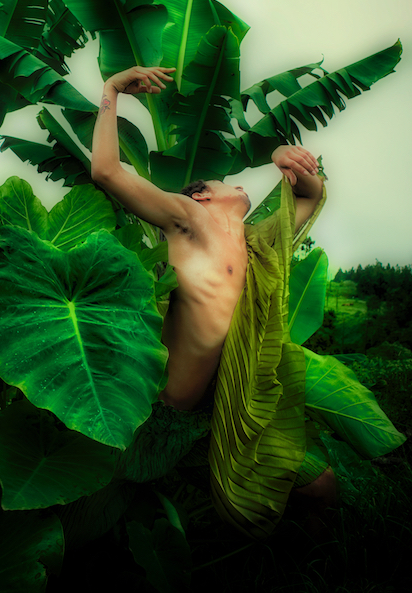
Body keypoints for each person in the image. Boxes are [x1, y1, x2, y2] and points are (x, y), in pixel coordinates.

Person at [91, 64, 342, 541]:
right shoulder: (189, 219)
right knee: (94, 523)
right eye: (225, 181)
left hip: (218, 411)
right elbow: (105, 170)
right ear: (204, 196)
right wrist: (111, 89)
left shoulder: (256, 244)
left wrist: (282, 155)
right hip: (153, 416)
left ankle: (304, 562)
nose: (240, 184)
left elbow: (308, 195)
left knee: (322, 484)